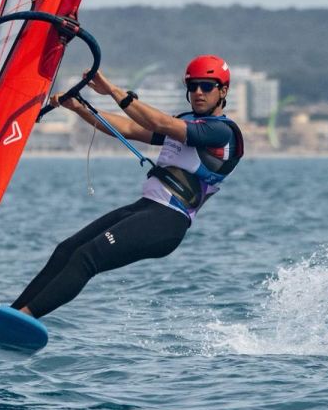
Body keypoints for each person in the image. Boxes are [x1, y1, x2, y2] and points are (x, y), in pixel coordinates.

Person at [12, 55, 245, 318]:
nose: (199, 92)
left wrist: (112, 90)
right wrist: (79, 108)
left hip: (168, 221)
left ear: (223, 91)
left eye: (207, 86)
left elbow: (160, 123)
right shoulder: (187, 121)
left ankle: (24, 317)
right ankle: (12, 314)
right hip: (145, 208)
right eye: (193, 86)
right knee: (66, 250)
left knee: (86, 257)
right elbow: (130, 128)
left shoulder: (221, 132)